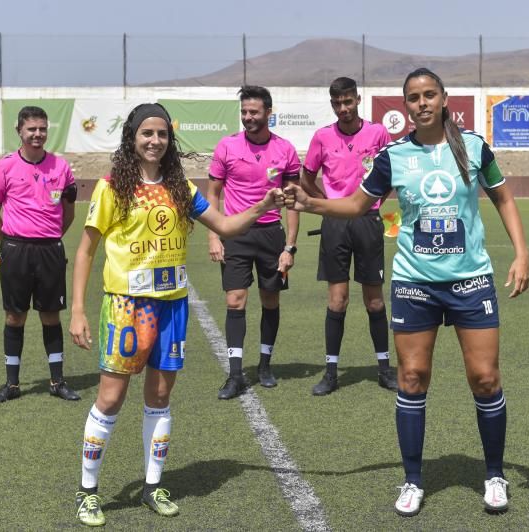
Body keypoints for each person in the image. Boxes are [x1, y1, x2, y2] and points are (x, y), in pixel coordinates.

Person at [283, 68, 529, 516]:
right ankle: (413, 479)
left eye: (429, 94)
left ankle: (494, 474)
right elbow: (359, 204)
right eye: (413, 97)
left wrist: (521, 253)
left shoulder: (473, 146)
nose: (422, 103)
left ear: (443, 98)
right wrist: (311, 202)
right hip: (415, 282)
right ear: (405, 106)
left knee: (486, 379)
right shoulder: (393, 156)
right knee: (413, 379)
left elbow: (503, 198)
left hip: (471, 281)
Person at [68, 103, 285, 526]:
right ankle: (88, 491)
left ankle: (153, 486)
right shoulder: (112, 187)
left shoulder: (182, 187)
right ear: (132, 137)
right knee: (111, 398)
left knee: (161, 396)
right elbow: (85, 250)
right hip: (127, 305)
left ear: (171, 140)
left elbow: (224, 226)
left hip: (172, 304)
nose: (155, 141)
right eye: (147, 133)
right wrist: (77, 310)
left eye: (162, 134)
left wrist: (262, 207)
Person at [301, 76, 397, 396]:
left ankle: (384, 369)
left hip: (368, 220)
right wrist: (327, 205)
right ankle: (330, 372)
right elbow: (307, 177)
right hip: (336, 225)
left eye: (348, 101)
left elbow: (391, 173)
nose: (344, 108)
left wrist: (378, 200)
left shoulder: (378, 133)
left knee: (374, 300)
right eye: (338, 103)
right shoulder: (322, 137)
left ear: (358, 100)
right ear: (332, 105)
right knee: (337, 300)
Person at [206, 85, 301, 399]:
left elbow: (292, 202)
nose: (247, 117)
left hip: (271, 235)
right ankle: (235, 375)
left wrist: (289, 247)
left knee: (270, 299)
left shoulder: (285, 150)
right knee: (235, 301)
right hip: (235, 232)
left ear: (268, 114)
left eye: (254, 112)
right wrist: (214, 235)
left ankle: (264, 365)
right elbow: (213, 194)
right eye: (244, 112)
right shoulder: (227, 146)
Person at [0, 105, 80, 404]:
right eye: (31, 129)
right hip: (16, 250)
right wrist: (10, 242)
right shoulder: (3, 167)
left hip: (50, 250)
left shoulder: (61, 167)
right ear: (19, 132)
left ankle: (57, 381)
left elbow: (69, 213)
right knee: (15, 317)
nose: (37, 134)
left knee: (51, 316)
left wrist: (49, 238)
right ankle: (12, 385)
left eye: (42, 129)